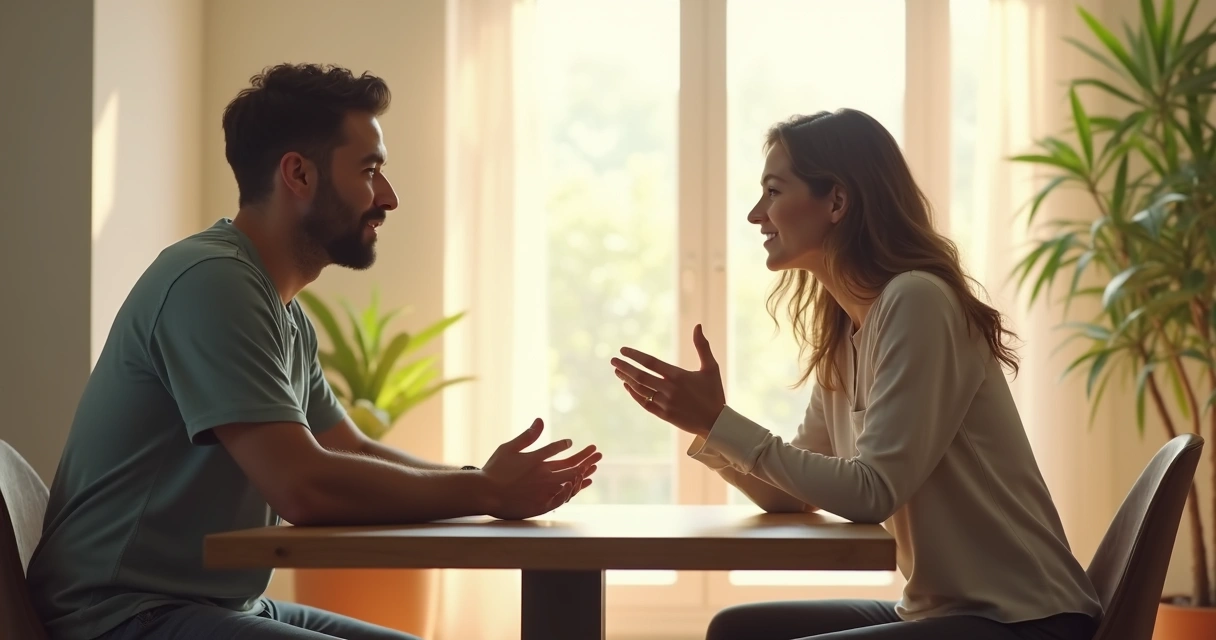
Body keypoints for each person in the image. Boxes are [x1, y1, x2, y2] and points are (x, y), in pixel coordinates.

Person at [26, 63, 600, 640]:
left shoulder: (282, 311)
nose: (389, 197)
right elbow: (303, 486)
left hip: (217, 606)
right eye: (370, 171)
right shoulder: (212, 281)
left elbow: (348, 449)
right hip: (121, 615)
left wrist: (484, 481)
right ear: (298, 174)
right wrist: (486, 490)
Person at [609, 109, 1102, 640]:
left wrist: (720, 421)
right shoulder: (847, 328)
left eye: (773, 191)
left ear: (837, 202)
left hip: (1027, 619)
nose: (756, 214)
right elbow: (791, 496)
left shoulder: (917, 301)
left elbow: (872, 492)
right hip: (943, 613)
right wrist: (708, 425)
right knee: (738, 630)